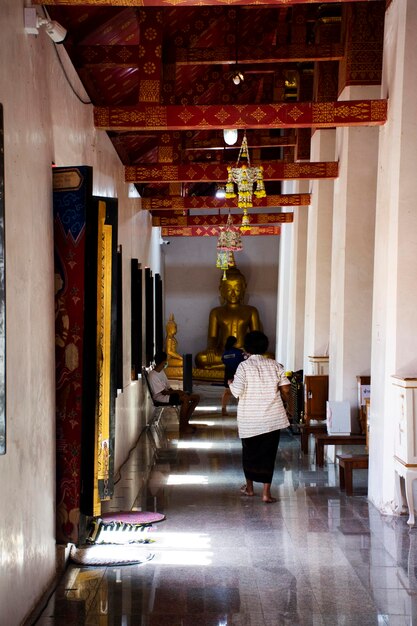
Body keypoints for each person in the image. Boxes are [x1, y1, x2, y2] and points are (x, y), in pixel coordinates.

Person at [229, 331, 290, 503]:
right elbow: (286, 389)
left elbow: (237, 391)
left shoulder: (243, 367)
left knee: (249, 453)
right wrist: (289, 406)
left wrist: (231, 384)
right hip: (272, 418)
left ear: (247, 347)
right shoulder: (275, 365)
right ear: (265, 347)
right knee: (268, 454)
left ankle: (249, 488)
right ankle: (266, 493)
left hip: (250, 419)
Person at [195, 265, 262, 370]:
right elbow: (212, 337)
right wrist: (211, 348)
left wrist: (252, 351)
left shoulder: (251, 311)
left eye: (237, 289)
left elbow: (257, 337)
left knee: (268, 356)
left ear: (244, 288)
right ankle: (241, 367)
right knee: (200, 358)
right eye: (229, 289)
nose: (233, 293)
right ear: (221, 290)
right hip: (224, 352)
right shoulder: (216, 312)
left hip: (244, 354)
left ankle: (222, 366)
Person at [148, 351, 200, 434]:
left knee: (196, 397)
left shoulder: (161, 371)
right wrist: (178, 392)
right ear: (163, 362)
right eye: (166, 360)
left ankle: (186, 423)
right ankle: (182, 427)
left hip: (168, 394)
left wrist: (179, 392)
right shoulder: (152, 375)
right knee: (185, 399)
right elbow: (164, 392)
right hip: (161, 397)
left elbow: (168, 388)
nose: (167, 362)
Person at [221, 335, 244, 416]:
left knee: (227, 392)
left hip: (228, 373)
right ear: (235, 342)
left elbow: (223, 361)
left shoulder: (225, 352)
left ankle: (223, 408)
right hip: (237, 373)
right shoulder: (239, 352)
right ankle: (241, 410)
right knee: (240, 392)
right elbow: (244, 361)